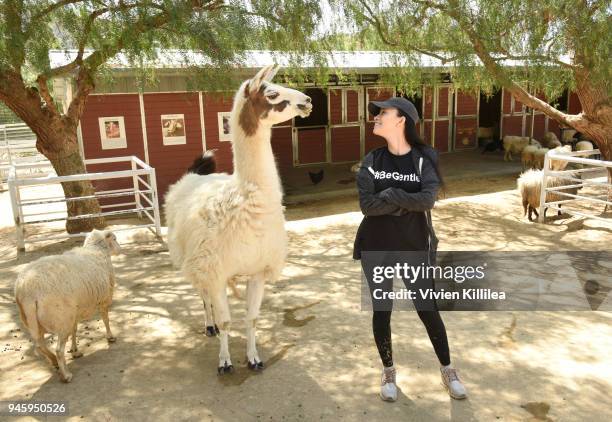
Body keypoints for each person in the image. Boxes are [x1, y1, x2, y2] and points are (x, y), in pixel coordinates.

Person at [353, 97, 467, 401]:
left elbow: (428, 199)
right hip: (375, 248)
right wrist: (404, 201)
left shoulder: (424, 158)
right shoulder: (371, 160)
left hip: (413, 247)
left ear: (401, 119)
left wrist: (389, 193)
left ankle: (448, 369)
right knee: (382, 310)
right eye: (375, 113)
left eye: (383, 113)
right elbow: (367, 206)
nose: (375, 116)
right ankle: (388, 371)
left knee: (427, 309)